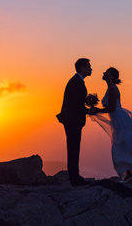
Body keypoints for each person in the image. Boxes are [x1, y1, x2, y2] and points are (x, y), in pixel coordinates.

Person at [57, 58, 92, 186]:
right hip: (72, 120)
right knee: (73, 148)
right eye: (89, 66)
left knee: (73, 147)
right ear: (83, 68)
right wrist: (89, 111)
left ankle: (75, 176)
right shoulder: (76, 82)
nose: (91, 69)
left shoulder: (77, 81)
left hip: (72, 120)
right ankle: (74, 178)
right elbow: (77, 104)